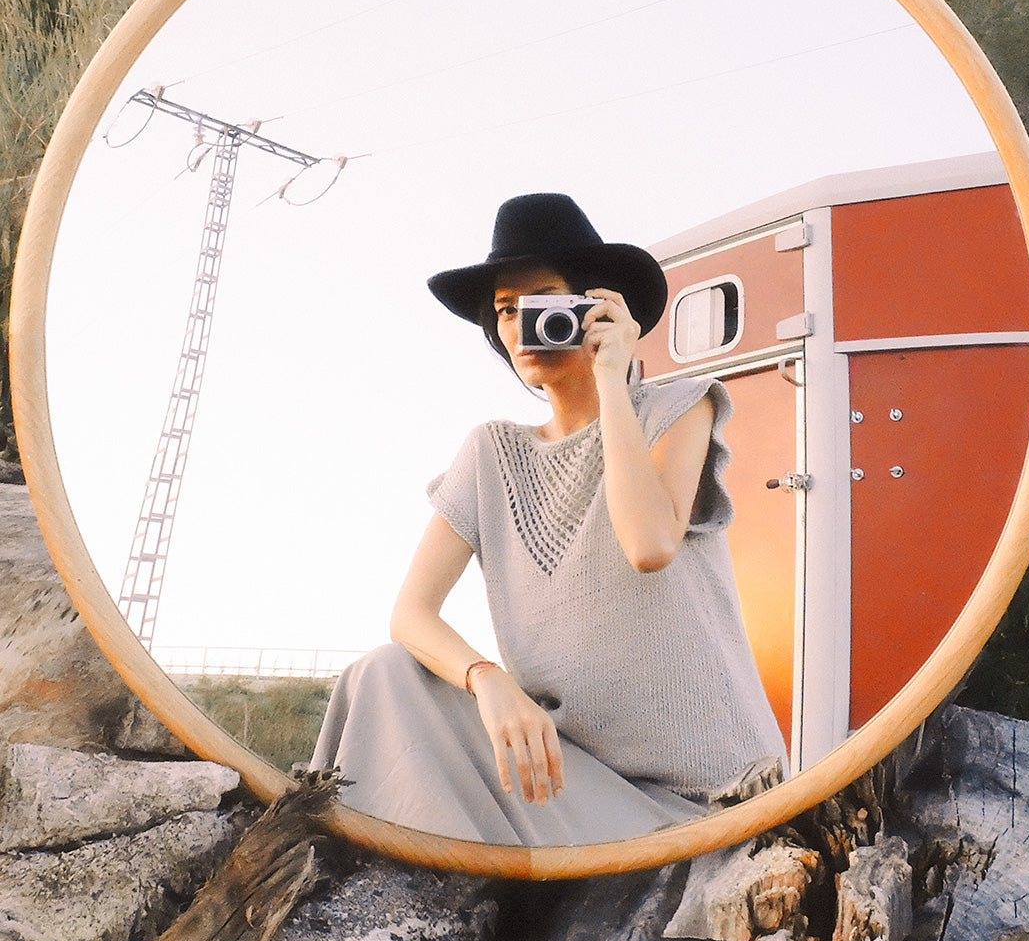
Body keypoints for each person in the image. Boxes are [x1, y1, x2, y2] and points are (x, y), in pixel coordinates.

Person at [312, 193, 786, 845]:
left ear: (599, 307)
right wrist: (489, 681)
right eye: (506, 309)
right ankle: (420, 889)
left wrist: (613, 379)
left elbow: (649, 544)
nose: (521, 325)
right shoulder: (491, 452)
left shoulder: (677, 407)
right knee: (382, 675)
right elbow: (410, 614)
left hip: (709, 796)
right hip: (572, 779)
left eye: (544, 302)